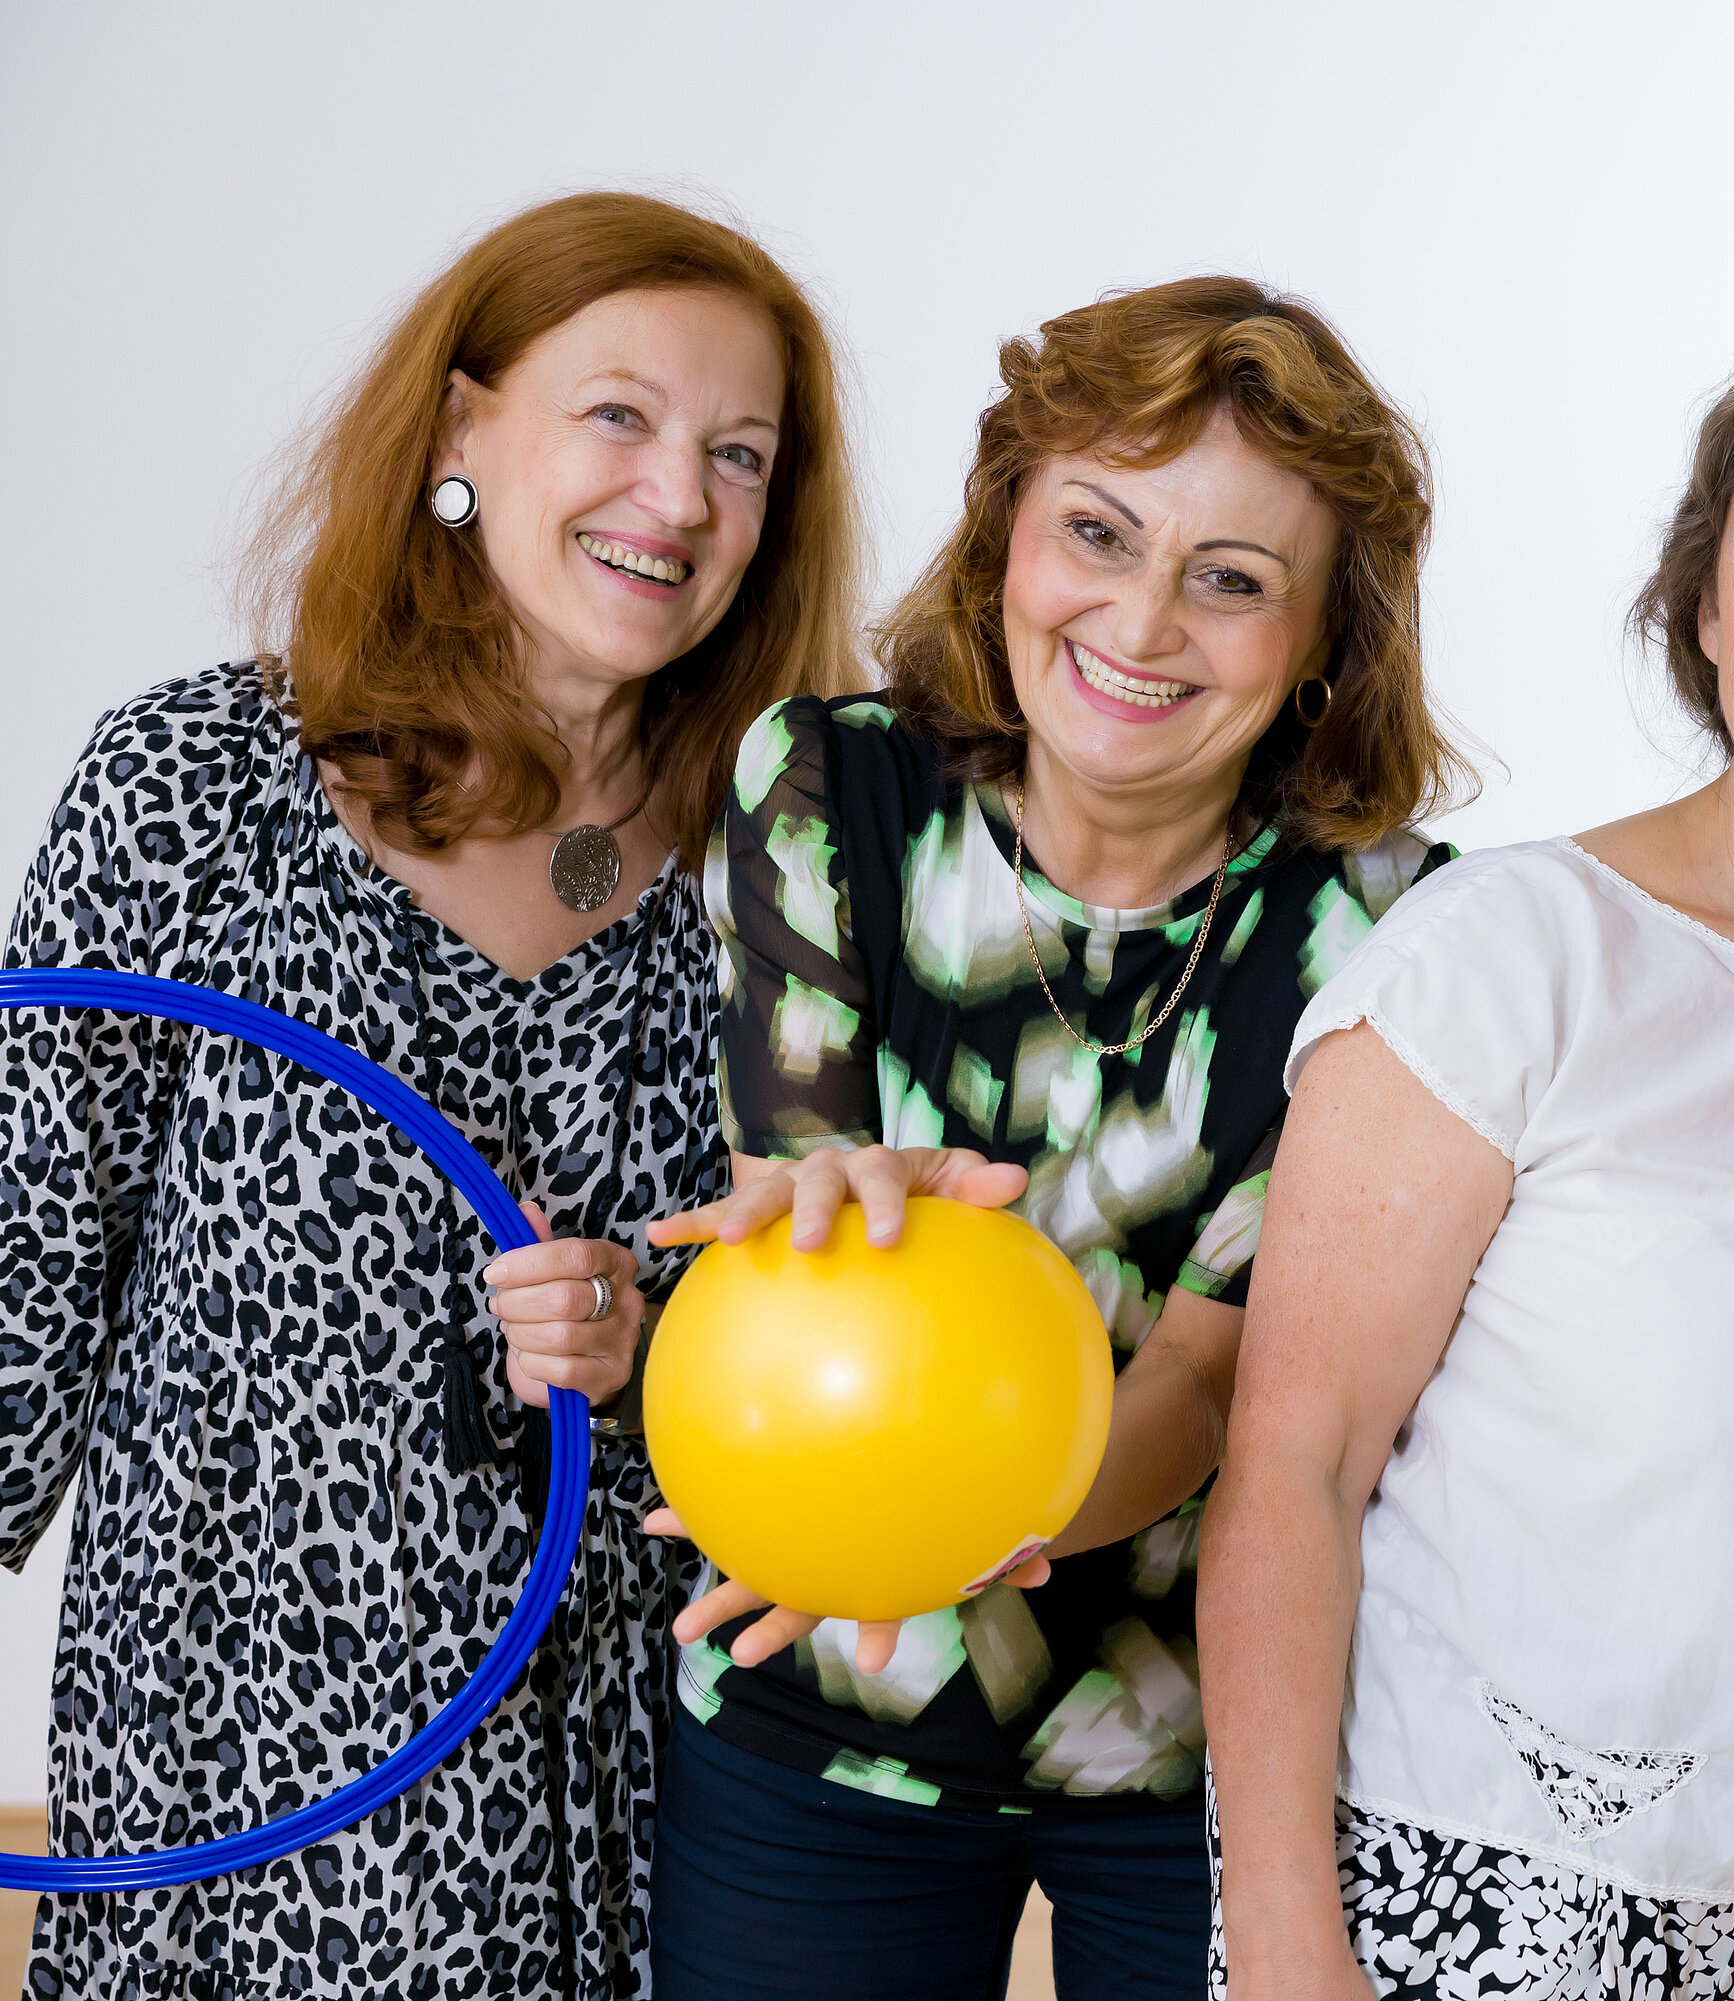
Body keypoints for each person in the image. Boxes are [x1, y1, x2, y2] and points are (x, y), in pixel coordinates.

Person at [0, 191, 864, 1998]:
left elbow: (827, 1411)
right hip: (236, 1776)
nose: (681, 496)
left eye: (739, 454)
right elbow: (20, 1296)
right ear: (467, 427)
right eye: (617, 415)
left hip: (630, 1795)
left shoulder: (788, 878)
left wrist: (651, 1353)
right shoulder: (195, 777)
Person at [1204, 320, 1734, 2001]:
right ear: (1704, 608)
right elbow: (1294, 1465)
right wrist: (1286, 1950)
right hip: (1484, 1916)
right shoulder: (1509, 955)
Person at [639, 275, 1470, 2000]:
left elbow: (1211, 1382)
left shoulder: (1392, 929)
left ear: (1323, 643)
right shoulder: (824, 784)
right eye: (1097, 529)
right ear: (1006, 532)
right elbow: (811, 1239)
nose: (1143, 620)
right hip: (818, 1723)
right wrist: (850, 1250)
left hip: (1192, 1747)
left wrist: (954, 1524)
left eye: (1233, 581)